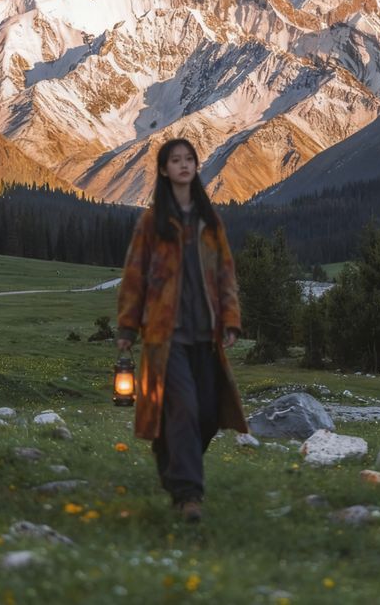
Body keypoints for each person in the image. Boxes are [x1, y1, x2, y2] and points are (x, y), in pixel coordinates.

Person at [116, 137, 248, 522]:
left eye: (189, 159)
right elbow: (134, 275)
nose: (184, 165)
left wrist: (230, 319)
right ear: (163, 170)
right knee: (185, 409)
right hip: (164, 335)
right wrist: (127, 326)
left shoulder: (210, 221)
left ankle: (166, 451)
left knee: (207, 414)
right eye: (176, 160)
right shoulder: (152, 221)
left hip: (205, 335)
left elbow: (225, 273)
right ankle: (189, 495)